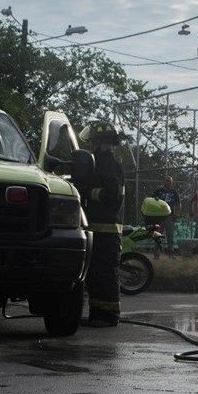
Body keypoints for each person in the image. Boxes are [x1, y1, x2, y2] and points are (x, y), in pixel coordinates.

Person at [78, 120, 126, 328]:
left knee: (105, 273)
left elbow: (111, 194)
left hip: (106, 229)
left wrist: (87, 192)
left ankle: (109, 316)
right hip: (97, 228)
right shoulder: (100, 162)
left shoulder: (109, 164)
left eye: (93, 142)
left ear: (100, 142)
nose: (90, 146)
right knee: (96, 273)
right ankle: (97, 313)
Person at [153, 175, 181, 253]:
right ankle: (156, 252)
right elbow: (152, 201)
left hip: (170, 216)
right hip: (160, 216)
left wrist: (177, 214)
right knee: (158, 234)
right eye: (167, 181)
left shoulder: (173, 192)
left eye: (170, 181)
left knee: (170, 235)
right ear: (164, 181)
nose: (168, 183)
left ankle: (170, 252)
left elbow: (178, 203)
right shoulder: (158, 191)